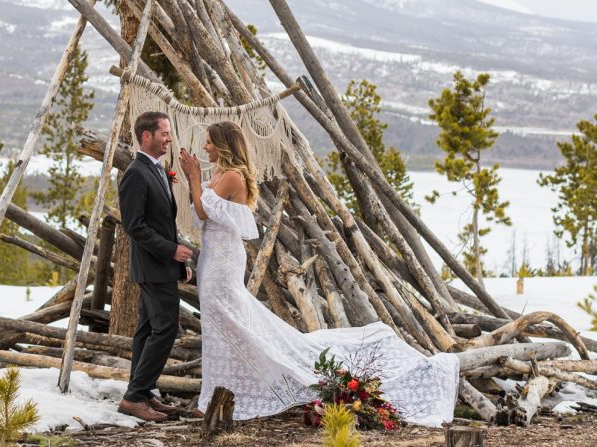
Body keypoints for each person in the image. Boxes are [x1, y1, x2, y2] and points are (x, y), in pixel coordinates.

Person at [178, 121, 459, 427]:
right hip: (212, 257)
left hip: (223, 262)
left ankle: (218, 397)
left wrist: (193, 177)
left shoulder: (232, 176)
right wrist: (196, 179)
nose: (204, 147)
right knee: (221, 327)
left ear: (223, 145)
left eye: (208, 142)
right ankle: (215, 393)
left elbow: (204, 211)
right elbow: (205, 211)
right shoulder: (219, 173)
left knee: (226, 324)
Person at [116, 111, 193, 422]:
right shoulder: (135, 173)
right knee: (165, 329)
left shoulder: (159, 170)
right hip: (152, 266)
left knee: (147, 330)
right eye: (164, 133)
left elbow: (162, 222)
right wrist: (171, 251)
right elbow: (134, 226)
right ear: (146, 136)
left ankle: (143, 392)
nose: (169, 138)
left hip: (163, 266)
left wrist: (180, 262)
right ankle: (134, 397)